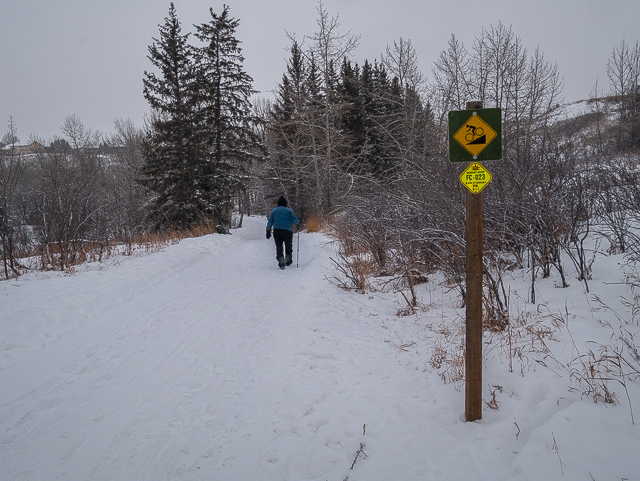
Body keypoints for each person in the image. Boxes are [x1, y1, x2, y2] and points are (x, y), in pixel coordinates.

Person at [266, 196, 300, 269]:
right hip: (287, 231)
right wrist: (299, 220)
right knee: (288, 246)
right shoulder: (289, 211)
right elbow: (294, 221)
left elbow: (270, 221)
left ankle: (281, 263)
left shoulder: (274, 211)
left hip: (277, 231)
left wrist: (268, 230)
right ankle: (288, 261)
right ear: (285, 203)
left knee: (279, 247)